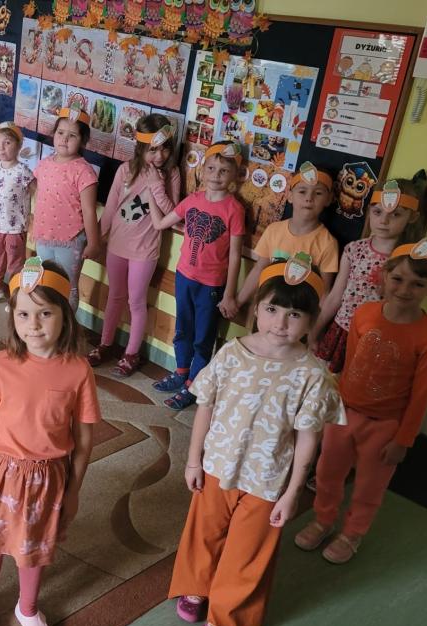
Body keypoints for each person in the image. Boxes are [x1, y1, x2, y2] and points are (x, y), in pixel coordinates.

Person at [170, 256, 344, 626]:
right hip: (217, 465)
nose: (281, 323)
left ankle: (225, 618)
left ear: (311, 320)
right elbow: (206, 405)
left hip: (267, 479)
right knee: (204, 532)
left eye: (294, 314)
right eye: (272, 309)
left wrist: (293, 492)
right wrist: (193, 460)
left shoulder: (312, 375)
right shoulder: (232, 353)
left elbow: (308, 437)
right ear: (257, 308)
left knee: (247, 551)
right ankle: (197, 587)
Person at [0, 257, 100, 626]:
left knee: (35, 549)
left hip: (49, 477)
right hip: (0, 472)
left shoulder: (79, 370)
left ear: (65, 315)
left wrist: (73, 491)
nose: (33, 325)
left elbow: (84, 440)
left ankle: (27, 609)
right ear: (13, 316)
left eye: (45, 314)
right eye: (23, 314)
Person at [296, 240, 427, 564]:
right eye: (398, 279)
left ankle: (352, 533)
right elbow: (352, 364)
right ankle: (323, 520)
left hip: (385, 426)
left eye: (418, 284)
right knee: (327, 473)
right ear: (384, 276)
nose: (405, 289)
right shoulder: (364, 313)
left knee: (369, 487)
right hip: (344, 414)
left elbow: (421, 394)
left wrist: (403, 440)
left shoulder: (426, 335)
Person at [150, 141, 245, 410]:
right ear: (202, 171)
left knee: (203, 338)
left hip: (211, 285)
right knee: (183, 330)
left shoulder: (234, 209)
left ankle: (194, 383)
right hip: (184, 277)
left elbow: (235, 255)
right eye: (211, 168)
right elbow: (160, 223)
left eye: (223, 170)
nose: (216, 175)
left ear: (235, 176)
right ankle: (181, 371)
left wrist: (229, 294)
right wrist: (150, 194)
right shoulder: (192, 200)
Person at [89, 115, 180, 376]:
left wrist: (156, 185)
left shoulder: (171, 174)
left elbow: (172, 213)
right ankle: (105, 344)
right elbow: (110, 209)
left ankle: (131, 353)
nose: (160, 156)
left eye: (165, 148)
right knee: (115, 296)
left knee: (136, 302)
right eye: (153, 149)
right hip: (117, 245)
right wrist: (95, 240)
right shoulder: (125, 170)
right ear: (140, 148)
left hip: (145, 250)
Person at [312, 178, 426, 372]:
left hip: (378, 338)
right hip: (341, 331)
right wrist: (314, 332)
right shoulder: (354, 250)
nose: (384, 220)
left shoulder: (410, 260)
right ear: (369, 211)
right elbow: (335, 297)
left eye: (395, 214)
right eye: (377, 212)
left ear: (412, 217)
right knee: (327, 381)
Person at [234, 162, 339, 310]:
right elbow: (259, 270)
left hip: (299, 314)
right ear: (290, 195)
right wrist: (238, 302)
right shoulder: (274, 230)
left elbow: (324, 292)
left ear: (329, 199)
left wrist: (315, 323)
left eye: (318, 193)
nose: (309, 198)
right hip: (267, 309)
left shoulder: (327, 243)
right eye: (302, 191)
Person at [31, 104, 100, 309]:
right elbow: (39, 194)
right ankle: (50, 321)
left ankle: (67, 326)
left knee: (68, 286)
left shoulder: (84, 171)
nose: (64, 139)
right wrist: (32, 222)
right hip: (44, 236)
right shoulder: (44, 164)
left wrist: (93, 243)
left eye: (72, 135)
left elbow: (89, 211)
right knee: (45, 281)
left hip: (71, 240)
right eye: (60, 133)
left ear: (83, 141)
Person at [0, 121, 35, 304]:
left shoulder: (23, 171)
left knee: (15, 264)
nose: (1, 148)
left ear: (19, 145)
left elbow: (37, 193)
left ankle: (17, 296)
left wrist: (34, 218)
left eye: (7, 143)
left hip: (16, 228)